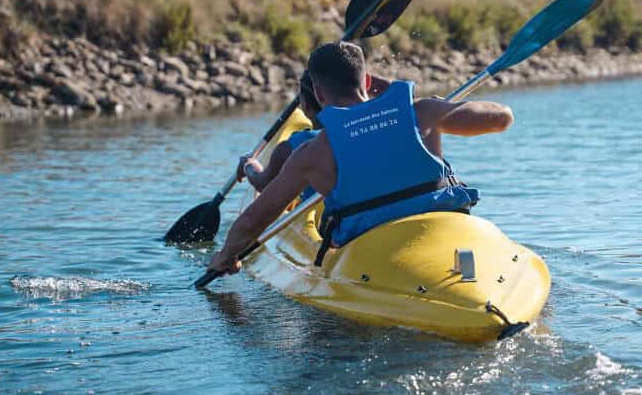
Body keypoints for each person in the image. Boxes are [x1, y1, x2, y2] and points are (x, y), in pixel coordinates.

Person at [209, 42, 513, 274]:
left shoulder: (312, 153)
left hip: (375, 255)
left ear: (317, 92)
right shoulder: (422, 113)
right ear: (367, 81)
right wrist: (434, 105)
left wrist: (224, 258)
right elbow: (501, 118)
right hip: (453, 233)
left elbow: (252, 220)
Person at [237, 69, 395, 194]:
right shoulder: (379, 126)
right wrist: (353, 72)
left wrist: (249, 166)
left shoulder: (291, 148)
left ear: (304, 104)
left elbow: (263, 185)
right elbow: (395, 93)